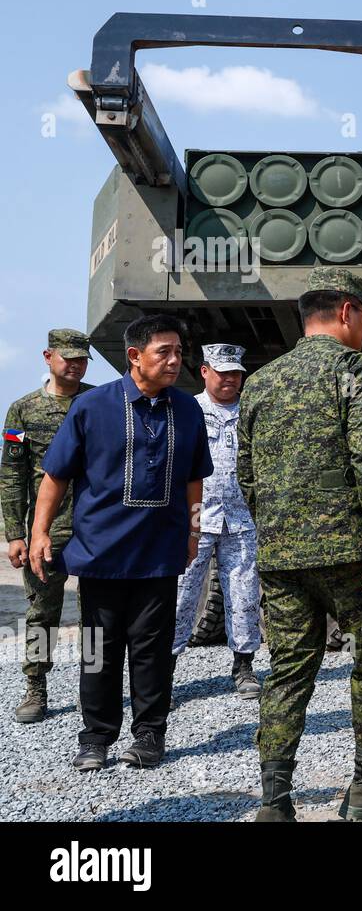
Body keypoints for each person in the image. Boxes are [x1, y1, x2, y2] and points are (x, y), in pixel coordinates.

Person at [238, 266, 362, 822]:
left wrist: (279, 530)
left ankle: (275, 803)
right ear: (347, 311)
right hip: (351, 553)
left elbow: (246, 473)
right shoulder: (356, 371)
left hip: (280, 555)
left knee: (289, 671)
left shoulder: (259, 382)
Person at [30, 315, 212, 770]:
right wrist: (39, 532)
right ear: (134, 357)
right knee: (99, 648)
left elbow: (194, 479)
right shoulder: (93, 407)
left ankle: (150, 735)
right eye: (163, 353)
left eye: (178, 352)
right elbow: (56, 474)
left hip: (158, 553)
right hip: (100, 554)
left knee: (152, 651)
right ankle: (95, 737)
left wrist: (193, 531)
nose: (175, 361)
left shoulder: (188, 409)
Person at [2, 329, 95, 723]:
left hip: (93, 525)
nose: (74, 366)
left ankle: (94, 689)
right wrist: (15, 534)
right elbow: (11, 474)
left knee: (98, 612)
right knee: (42, 610)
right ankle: (36, 688)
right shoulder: (22, 411)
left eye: (81, 359)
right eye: (67, 358)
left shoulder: (98, 402)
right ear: (47, 357)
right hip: (46, 528)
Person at [172, 343, 261, 699]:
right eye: (223, 372)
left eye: (236, 374)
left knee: (244, 595)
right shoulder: (186, 410)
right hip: (195, 519)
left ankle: (243, 666)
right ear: (205, 371)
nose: (230, 380)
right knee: (181, 595)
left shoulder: (251, 411)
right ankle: (165, 669)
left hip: (241, 520)